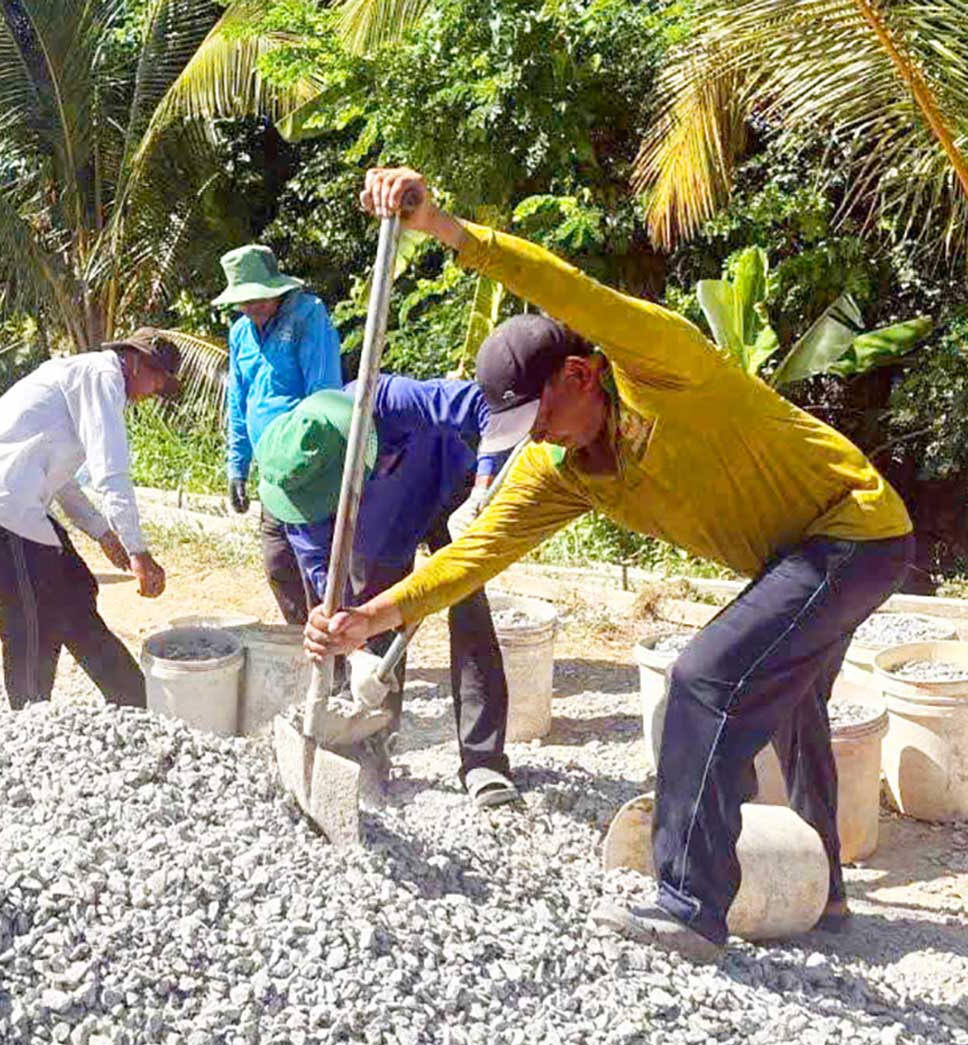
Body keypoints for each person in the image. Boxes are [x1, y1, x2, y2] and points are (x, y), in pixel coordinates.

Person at [314, 166, 916, 961]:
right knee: (789, 697)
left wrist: (448, 230)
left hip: (856, 529)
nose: (537, 436)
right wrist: (370, 617)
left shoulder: (658, 365)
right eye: (520, 429)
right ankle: (824, 892)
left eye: (543, 416)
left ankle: (690, 904)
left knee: (704, 678)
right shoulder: (559, 469)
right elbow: (471, 559)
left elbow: (570, 291)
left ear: (579, 374)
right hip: (795, 557)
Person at [259, 378, 517, 806]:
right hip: (388, 529)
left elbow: (491, 407)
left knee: (468, 609)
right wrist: (348, 644)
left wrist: (482, 490)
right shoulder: (296, 488)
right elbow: (325, 582)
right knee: (370, 621)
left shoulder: (387, 400)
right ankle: (374, 749)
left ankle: (482, 760)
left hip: (452, 492)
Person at [0, 329, 178, 710]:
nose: (153, 393)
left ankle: (132, 700)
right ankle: (29, 716)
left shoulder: (82, 377)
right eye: (157, 381)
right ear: (136, 362)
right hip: (3, 508)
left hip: (22, 505)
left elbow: (63, 479)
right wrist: (138, 551)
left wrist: (103, 532)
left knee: (74, 592)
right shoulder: (104, 379)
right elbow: (112, 472)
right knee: (29, 619)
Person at [214, 244, 343, 624]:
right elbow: (239, 402)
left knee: (315, 565)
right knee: (278, 563)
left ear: (276, 289)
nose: (251, 307)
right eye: (243, 301)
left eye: (257, 298)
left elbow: (324, 395)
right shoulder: (240, 333)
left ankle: (336, 656)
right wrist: (237, 467)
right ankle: (302, 643)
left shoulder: (308, 317)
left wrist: (314, 462)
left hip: (308, 465)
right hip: (272, 471)